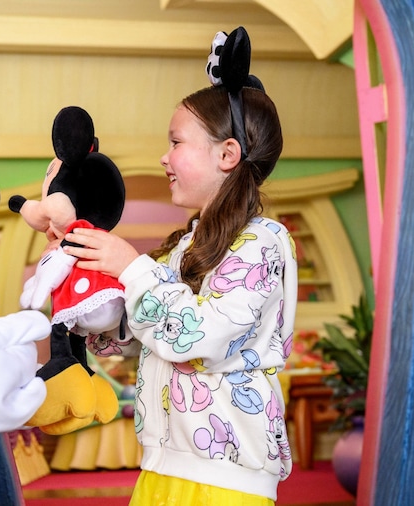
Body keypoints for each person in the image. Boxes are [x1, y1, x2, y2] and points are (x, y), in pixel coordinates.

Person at [63, 27, 297, 505]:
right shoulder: (182, 247)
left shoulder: (265, 241)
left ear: (227, 154)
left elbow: (201, 338)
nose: (163, 157)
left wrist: (130, 269)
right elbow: (143, 329)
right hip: (163, 465)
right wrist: (88, 278)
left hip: (225, 480)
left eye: (176, 142)